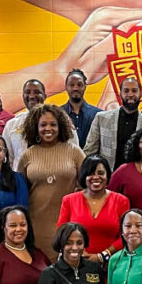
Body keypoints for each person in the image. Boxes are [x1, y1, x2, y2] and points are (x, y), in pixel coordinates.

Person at [17, 103, 85, 259]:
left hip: (68, 224)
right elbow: (21, 192)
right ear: (35, 127)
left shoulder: (75, 152)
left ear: (60, 126)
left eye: (53, 124)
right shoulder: (28, 155)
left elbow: (87, 186)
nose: (48, 128)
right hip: (36, 226)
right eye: (43, 125)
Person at [57, 154, 131, 265]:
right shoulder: (69, 200)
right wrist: (79, 253)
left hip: (112, 264)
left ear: (107, 176)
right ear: (84, 176)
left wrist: (103, 256)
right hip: (77, 262)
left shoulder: (121, 201)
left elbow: (126, 235)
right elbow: (61, 233)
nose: (96, 177)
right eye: (91, 173)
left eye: (101, 173)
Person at [83, 77, 142, 169]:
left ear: (141, 95)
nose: (130, 94)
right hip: (108, 179)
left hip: (138, 178)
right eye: (126, 91)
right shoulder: (101, 118)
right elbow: (89, 151)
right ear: (120, 94)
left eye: (134, 91)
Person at [2, 79, 49, 170]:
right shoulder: (12, 125)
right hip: (19, 180)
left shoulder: (57, 123)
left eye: (37, 92)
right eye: (27, 92)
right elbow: (7, 158)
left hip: (47, 179)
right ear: (23, 96)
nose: (31, 96)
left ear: (45, 96)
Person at [64, 69, 101, 148]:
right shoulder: (57, 114)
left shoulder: (98, 114)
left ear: (85, 87)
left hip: (90, 159)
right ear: (66, 87)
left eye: (79, 84)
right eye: (72, 85)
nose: (75, 88)